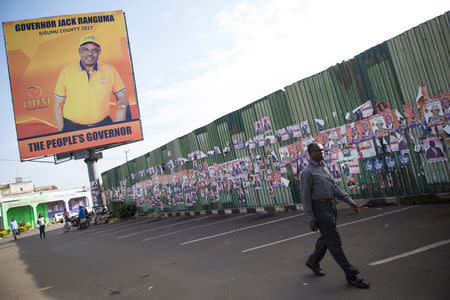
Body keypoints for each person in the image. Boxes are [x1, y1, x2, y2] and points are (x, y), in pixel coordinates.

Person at [300, 142, 369, 288]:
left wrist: (350, 202)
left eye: (323, 150)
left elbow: (335, 188)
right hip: (320, 208)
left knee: (327, 236)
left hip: (331, 206)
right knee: (334, 241)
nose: (322, 152)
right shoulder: (307, 172)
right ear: (311, 153)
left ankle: (313, 261)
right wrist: (310, 218)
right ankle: (351, 275)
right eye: (319, 150)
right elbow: (305, 198)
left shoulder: (324, 167)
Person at [54, 34, 130, 132]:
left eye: (94, 50)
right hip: (72, 128)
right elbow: (58, 104)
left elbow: (122, 96)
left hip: (103, 125)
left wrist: (122, 108)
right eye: (85, 49)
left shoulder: (110, 70)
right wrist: (61, 131)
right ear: (79, 52)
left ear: (99, 52)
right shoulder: (66, 72)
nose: (90, 53)